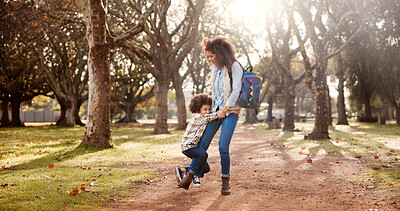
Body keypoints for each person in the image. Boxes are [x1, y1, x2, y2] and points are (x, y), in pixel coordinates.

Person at [197, 36, 243, 195]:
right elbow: (216, 93)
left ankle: (225, 181)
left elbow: (236, 91)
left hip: (230, 112)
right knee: (201, 143)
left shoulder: (235, 66)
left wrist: (225, 109)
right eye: (207, 56)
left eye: (211, 56)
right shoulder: (215, 69)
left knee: (223, 146)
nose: (208, 59)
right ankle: (195, 172)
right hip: (216, 111)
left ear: (220, 53)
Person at [176, 93, 221, 190]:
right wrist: (225, 111)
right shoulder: (198, 117)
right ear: (197, 110)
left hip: (193, 146)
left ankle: (184, 170)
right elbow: (216, 116)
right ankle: (192, 177)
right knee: (203, 155)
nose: (208, 112)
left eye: (209, 109)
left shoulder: (202, 117)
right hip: (188, 147)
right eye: (205, 109)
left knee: (206, 168)